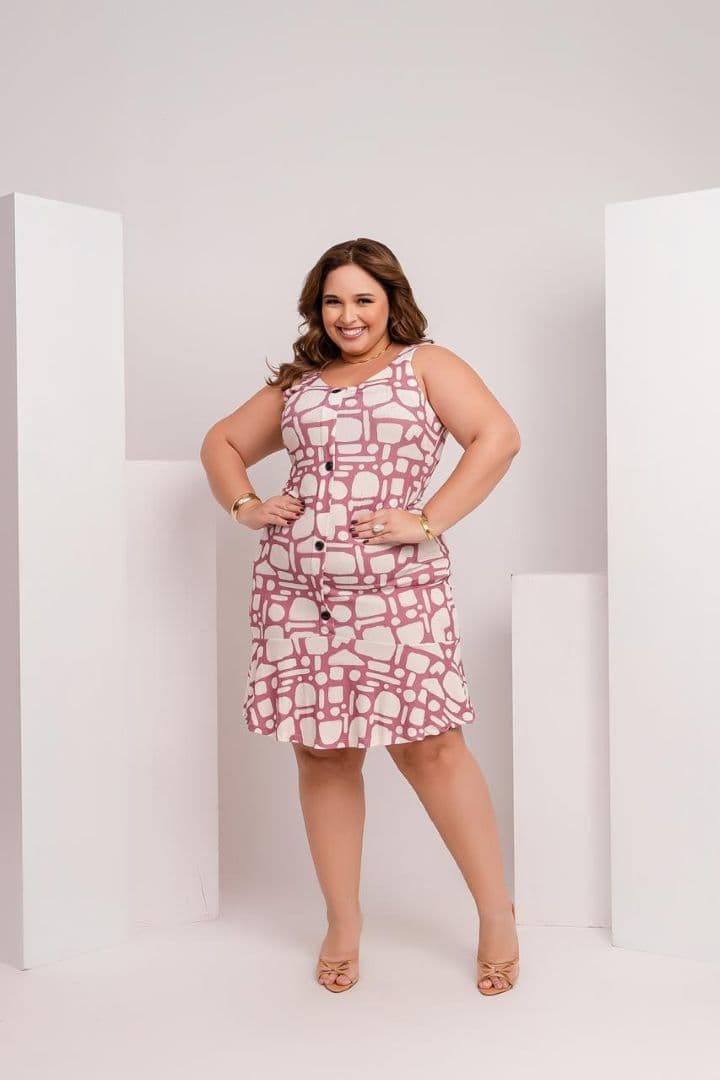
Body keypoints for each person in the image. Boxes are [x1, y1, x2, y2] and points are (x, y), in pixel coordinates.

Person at [200, 238, 522, 995]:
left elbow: (498, 437)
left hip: (396, 593)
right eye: (333, 301)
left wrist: (429, 518)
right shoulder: (299, 385)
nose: (348, 315)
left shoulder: (426, 366)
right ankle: (342, 923)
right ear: (317, 309)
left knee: (431, 750)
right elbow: (221, 442)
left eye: (363, 300)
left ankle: (497, 916)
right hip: (295, 595)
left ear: (390, 302)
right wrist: (246, 505)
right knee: (323, 754)